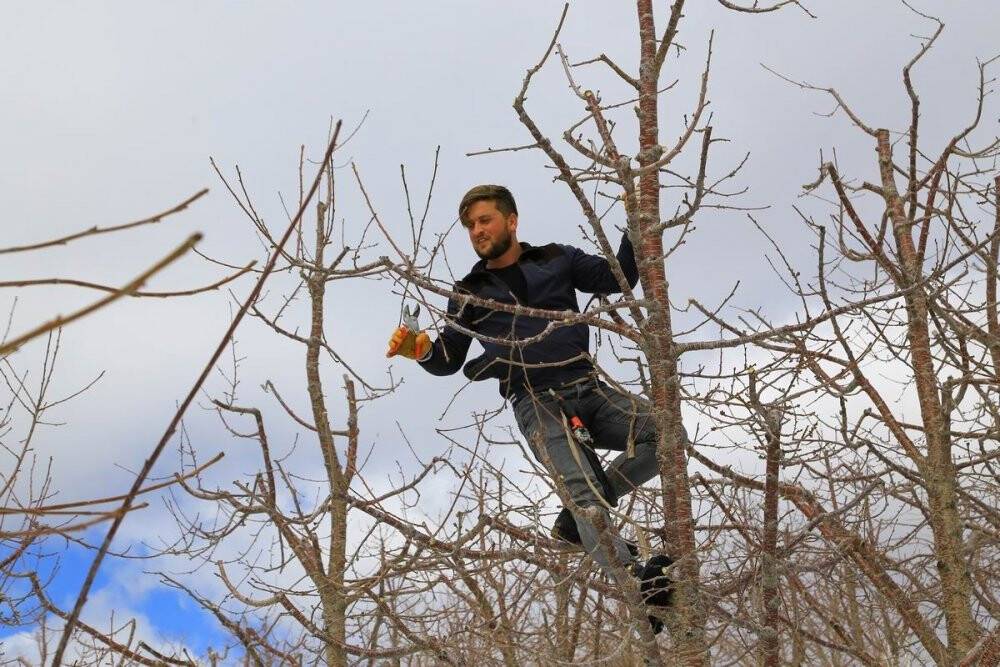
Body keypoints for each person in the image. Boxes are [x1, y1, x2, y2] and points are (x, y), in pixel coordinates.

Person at [386, 184, 674, 627]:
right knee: (587, 502)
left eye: (485, 220)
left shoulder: (556, 258)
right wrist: (419, 349)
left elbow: (618, 278)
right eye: (470, 226)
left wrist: (636, 227)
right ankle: (637, 580)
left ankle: (573, 525)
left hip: (588, 386)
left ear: (512, 220)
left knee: (668, 436)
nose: (477, 231)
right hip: (537, 403)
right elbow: (449, 359)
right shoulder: (468, 292)